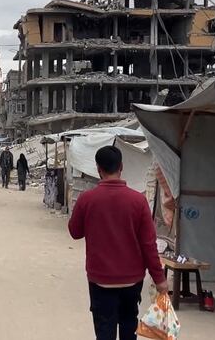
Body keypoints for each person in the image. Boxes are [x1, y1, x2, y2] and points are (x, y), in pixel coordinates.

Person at [68, 145, 167, 340]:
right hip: (131, 280)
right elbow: (148, 245)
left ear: (98, 169)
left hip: (100, 279)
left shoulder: (87, 199)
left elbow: (75, 232)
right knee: (129, 325)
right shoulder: (138, 201)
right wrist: (159, 279)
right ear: (121, 167)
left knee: (104, 330)